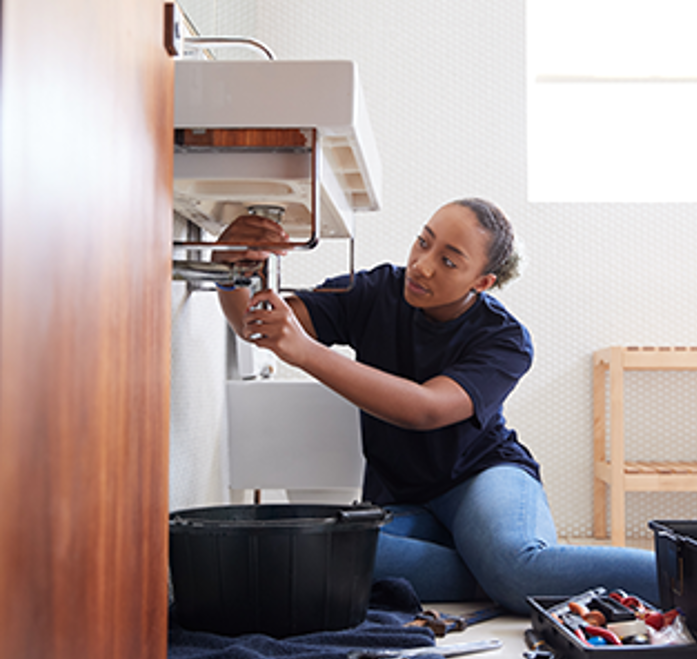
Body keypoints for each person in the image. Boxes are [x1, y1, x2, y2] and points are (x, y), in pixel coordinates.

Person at [213, 198, 658, 615]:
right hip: (404, 496)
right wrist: (231, 266)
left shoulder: (505, 339)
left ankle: (691, 572)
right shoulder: (376, 290)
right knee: (322, 556)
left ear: (482, 282)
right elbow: (258, 324)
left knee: (516, 566)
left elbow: (424, 409)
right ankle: (491, 571)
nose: (422, 267)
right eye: (423, 242)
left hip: (482, 476)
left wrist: (307, 352)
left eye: (448, 261)